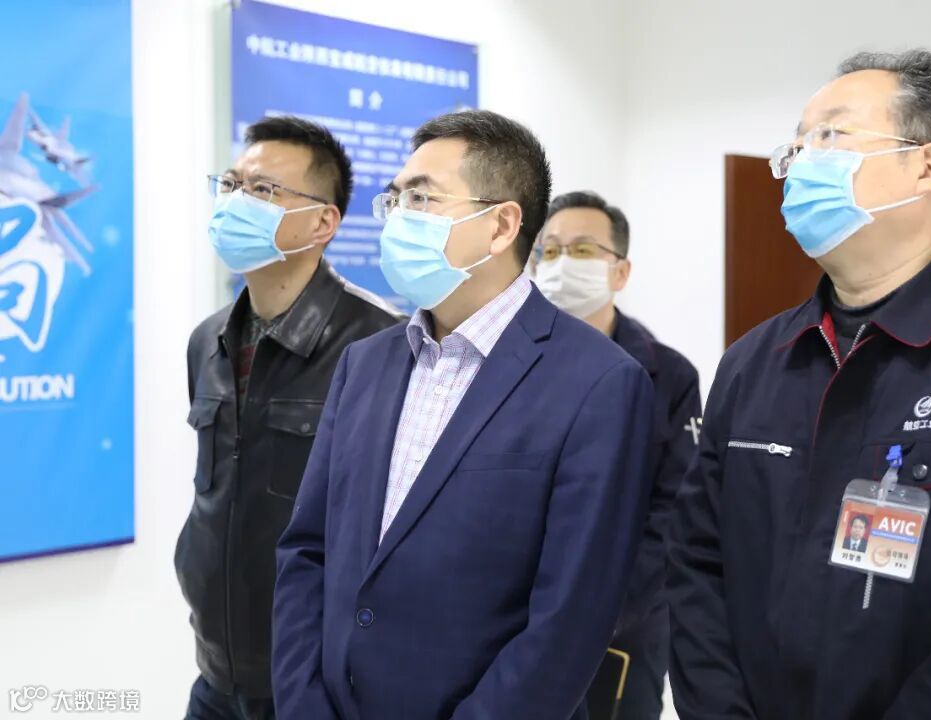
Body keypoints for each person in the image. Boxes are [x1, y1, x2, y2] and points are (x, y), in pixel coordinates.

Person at [668, 49, 931, 720]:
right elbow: (696, 568)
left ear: (927, 167)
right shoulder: (754, 362)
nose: (801, 163)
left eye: (830, 136)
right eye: (796, 146)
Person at [272, 110, 655, 720]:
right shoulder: (364, 364)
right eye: (395, 199)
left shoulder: (600, 383)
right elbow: (307, 551)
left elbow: (569, 620)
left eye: (422, 198)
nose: (398, 217)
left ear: (501, 225)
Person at [174, 115, 401, 720]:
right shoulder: (208, 340)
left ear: (324, 222)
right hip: (218, 671)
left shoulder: (382, 345)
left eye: (263, 190)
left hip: (318, 682)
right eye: (231, 184)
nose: (236, 202)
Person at [534, 190, 701, 720]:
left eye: (583, 250)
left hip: (624, 625)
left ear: (620, 271)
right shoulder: (508, 364)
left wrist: (601, 613)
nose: (562, 263)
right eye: (550, 251)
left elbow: (674, 511)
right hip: (518, 623)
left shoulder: (668, 376)